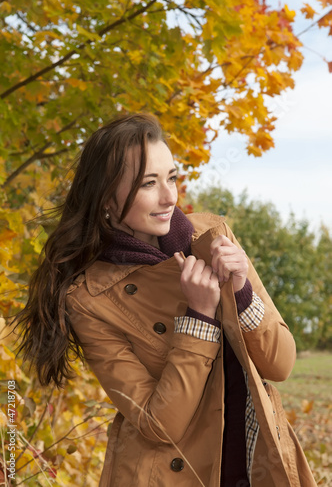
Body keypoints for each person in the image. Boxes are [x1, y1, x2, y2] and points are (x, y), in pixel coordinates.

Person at [15, 113, 317, 487]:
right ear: (107, 197)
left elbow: (280, 365)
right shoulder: (90, 298)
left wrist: (240, 292)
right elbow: (159, 424)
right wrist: (200, 318)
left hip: (257, 461)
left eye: (172, 178)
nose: (169, 196)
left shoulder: (213, 239)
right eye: (149, 183)